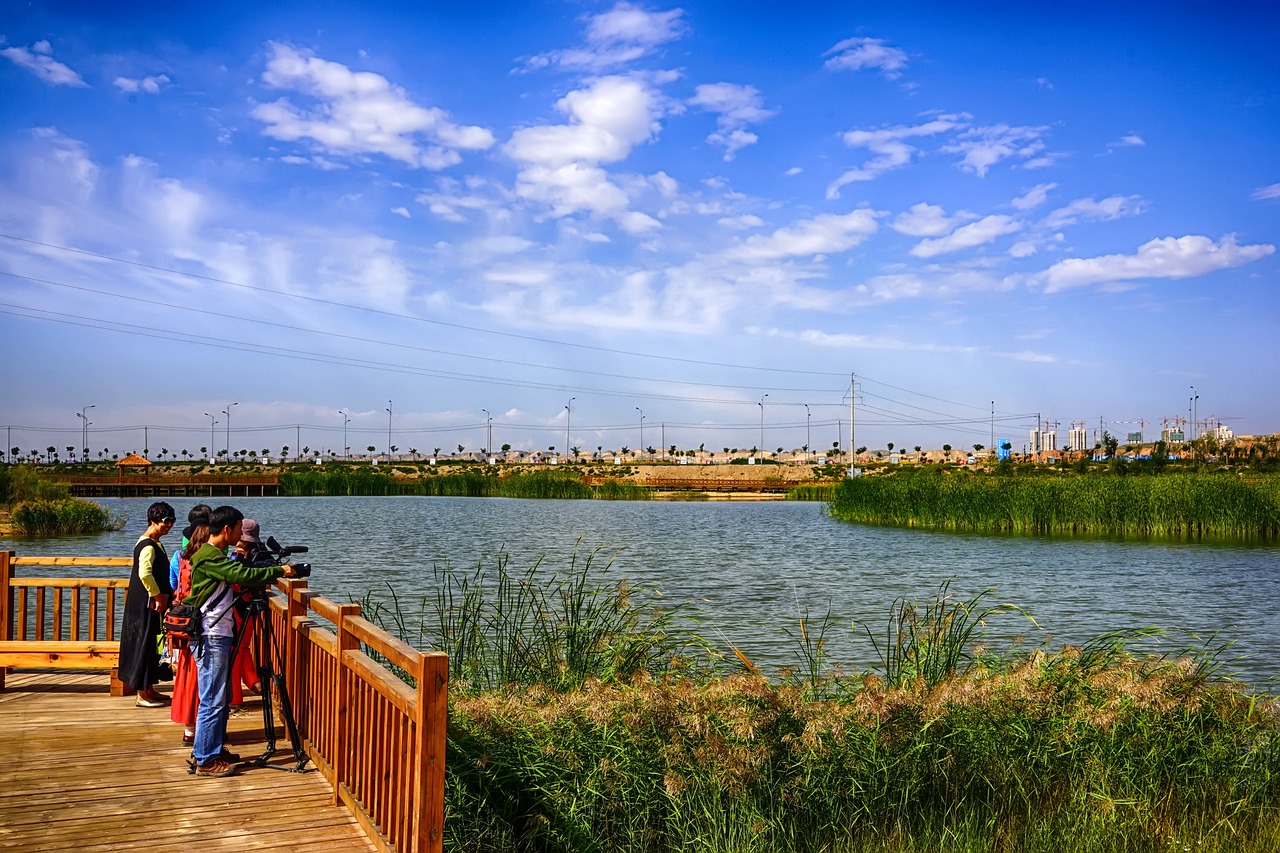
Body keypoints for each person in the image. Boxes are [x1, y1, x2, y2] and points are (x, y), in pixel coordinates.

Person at [185, 505, 296, 778]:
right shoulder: (210, 557)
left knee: (218, 697)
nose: (239, 533)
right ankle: (205, 758)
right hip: (211, 636)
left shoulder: (216, 555)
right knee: (212, 698)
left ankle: (211, 748)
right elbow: (242, 575)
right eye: (237, 529)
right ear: (227, 529)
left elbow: (238, 571)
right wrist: (278, 570)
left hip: (217, 634)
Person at [117, 501, 175, 707]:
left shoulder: (155, 542)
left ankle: (150, 688)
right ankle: (142, 695)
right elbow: (144, 574)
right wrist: (158, 595)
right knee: (144, 643)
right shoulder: (148, 545)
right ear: (153, 521)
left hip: (152, 602)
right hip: (146, 603)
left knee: (153, 643)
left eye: (172, 521)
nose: (169, 525)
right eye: (166, 521)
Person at [169, 522, 209, 744]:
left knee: (185, 678)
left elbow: (176, 587)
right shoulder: (203, 564)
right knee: (201, 679)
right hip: (200, 628)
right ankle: (202, 732)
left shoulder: (182, 560)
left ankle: (189, 729)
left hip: (184, 627)